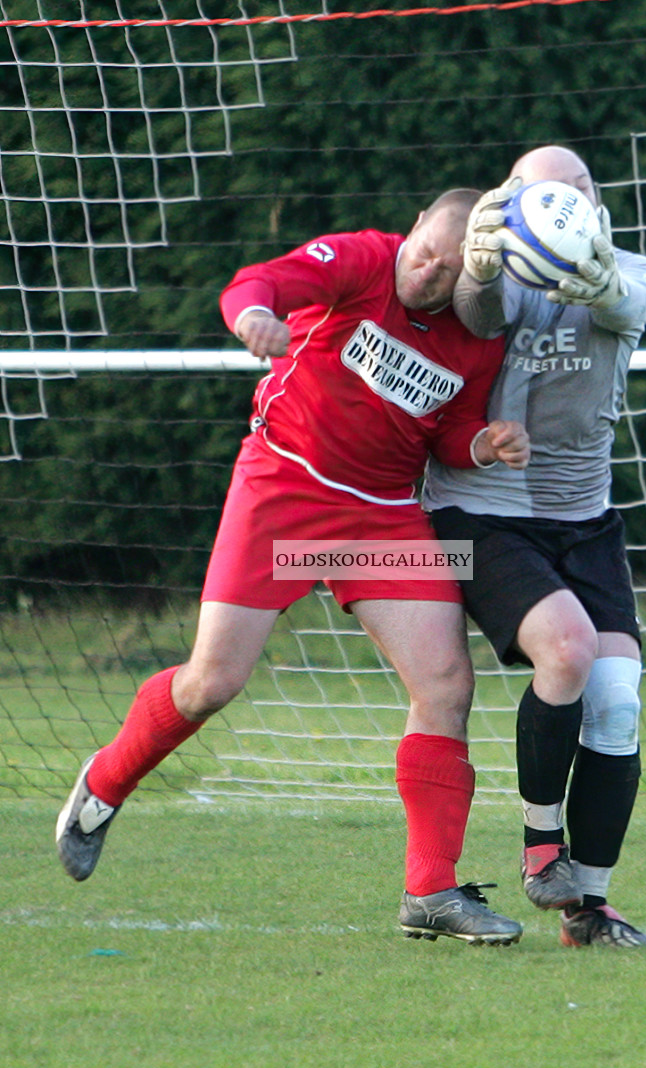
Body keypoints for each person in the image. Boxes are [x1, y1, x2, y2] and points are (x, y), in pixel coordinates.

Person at [55, 189, 531, 947]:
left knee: (445, 685)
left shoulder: (478, 336)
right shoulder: (363, 258)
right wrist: (251, 317)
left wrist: (484, 444)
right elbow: (257, 283)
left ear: (474, 279)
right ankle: (106, 783)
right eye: (424, 252)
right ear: (411, 228)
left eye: (446, 271)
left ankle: (430, 890)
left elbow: (451, 435)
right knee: (213, 682)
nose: (425, 273)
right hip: (281, 485)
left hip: (378, 514)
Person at [424, 147, 646, 948]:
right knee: (566, 651)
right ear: (510, 200)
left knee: (618, 703)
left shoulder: (631, 269)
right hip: (477, 517)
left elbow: (627, 305)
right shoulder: (492, 277)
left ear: (596, 202)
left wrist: (599, 282)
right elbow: (474, 311)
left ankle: (589, 909)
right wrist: (483, 269)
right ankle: (538, 849)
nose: (567, 200)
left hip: (586, 523)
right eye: (544, 189)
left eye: (581, 187)